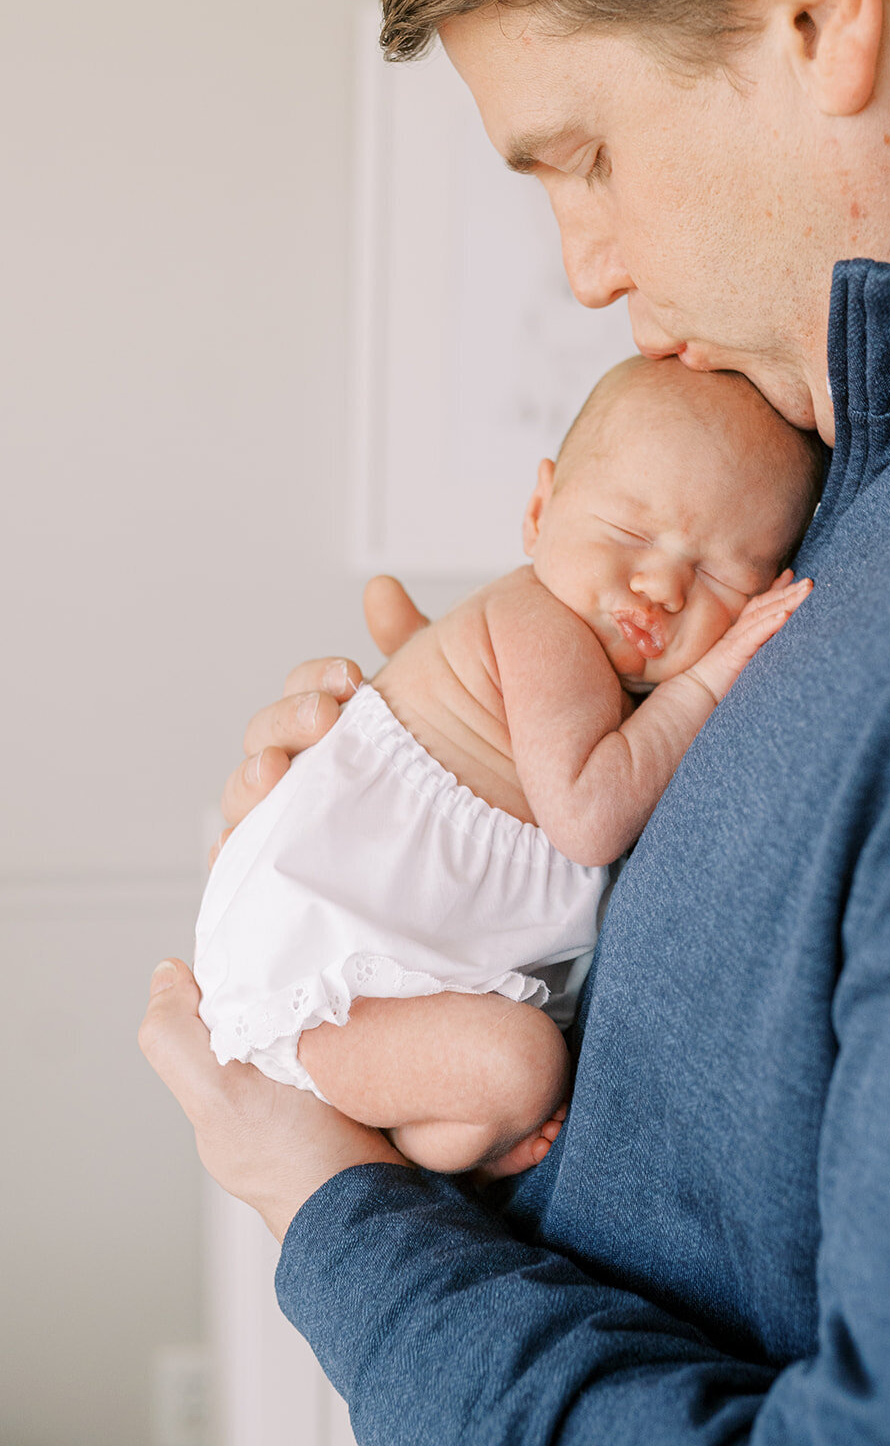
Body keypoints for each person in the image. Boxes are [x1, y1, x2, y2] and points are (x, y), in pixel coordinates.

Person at [140, 0, 890, 1441]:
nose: (586, 268)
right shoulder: (849, 460)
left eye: (582, 158)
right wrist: (419, 839)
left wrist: (337, 1214)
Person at [194, 358, 819, 1177]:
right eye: (629, 534)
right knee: (521, 1064)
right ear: (538, 511)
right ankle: (408, 1119)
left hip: (403, 965)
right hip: (335, 973)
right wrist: (712, 673)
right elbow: (591, 818)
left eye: (719, 574)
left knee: (504, 1076)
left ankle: (438, 1138)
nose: (661, 585)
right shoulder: (543, 627)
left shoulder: (602, 676)